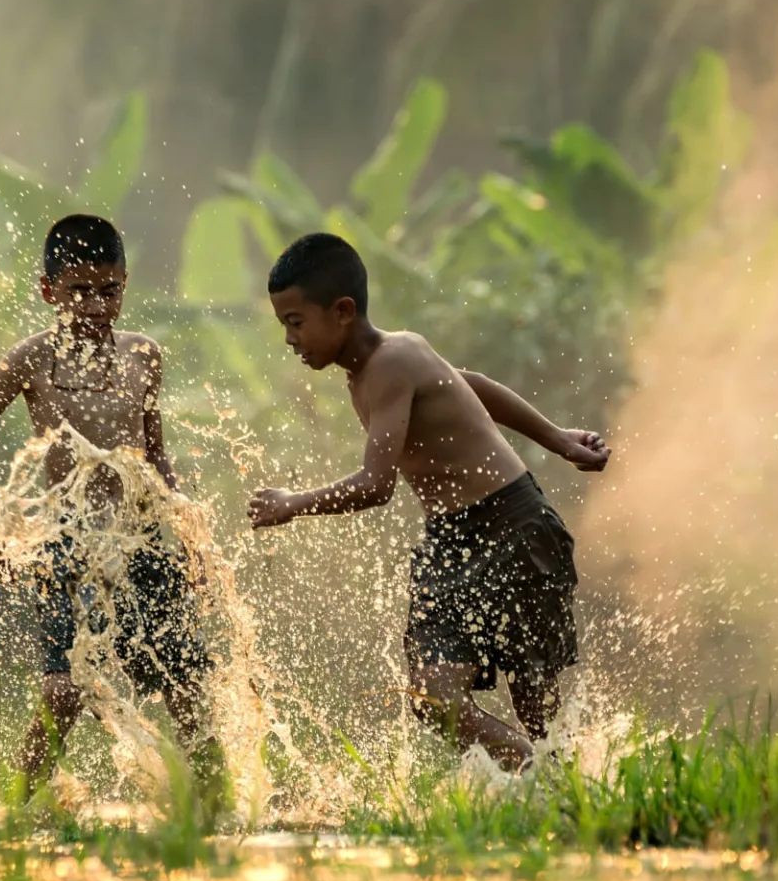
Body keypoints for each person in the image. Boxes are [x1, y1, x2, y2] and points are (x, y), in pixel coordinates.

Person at [246, 234, 610, 768]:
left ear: (342, 311)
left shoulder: (393, 359)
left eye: (295, 322)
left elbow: (376, 485)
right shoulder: (373, 369)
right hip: (451, 540)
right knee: (435, 698)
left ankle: (557, 790)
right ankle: (536, 777)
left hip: (514, 524)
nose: (289, 340)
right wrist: (557, 438)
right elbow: (469, 384)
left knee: (537, 704)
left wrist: (292, 503)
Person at [0, 214, 217, 800]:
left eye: (110, 291)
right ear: (50, 291)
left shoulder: (144, 356)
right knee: (62, 693)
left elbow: (156, 457)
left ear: (124, 286)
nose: (96, 305)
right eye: (80, 291)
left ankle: (222, 810)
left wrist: (190, 534)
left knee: (186, 683)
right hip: (65, 541)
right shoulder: (30, 359)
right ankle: (17, 812)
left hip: (141, 538)